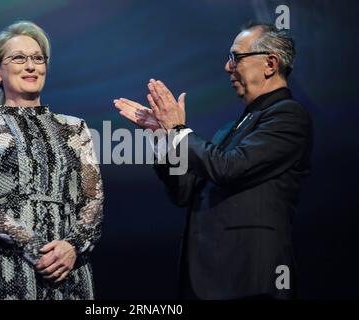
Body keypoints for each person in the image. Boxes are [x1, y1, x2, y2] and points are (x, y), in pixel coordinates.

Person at [114, 22, 312, 299]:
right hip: (206, 279)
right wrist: (162, 137)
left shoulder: (288, 116)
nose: (227, 67)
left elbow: (229, 168)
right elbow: (185, 192)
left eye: (236, 57)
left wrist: (178, 131)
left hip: (249, 280)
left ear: (270, 63)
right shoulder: (229, 129)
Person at [0, 21, 104, 300]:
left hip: (66, 263)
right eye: (19, 58)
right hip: (2, 261)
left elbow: (93, 200)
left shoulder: (74, 127)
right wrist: (33, 246)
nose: (31, 66)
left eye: (37, 58)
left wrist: (72, 246)